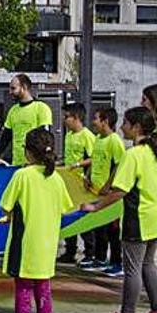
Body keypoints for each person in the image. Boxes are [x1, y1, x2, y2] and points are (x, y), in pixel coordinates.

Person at [0, 129, 73, 313]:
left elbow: (6, 205)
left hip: (25, 244)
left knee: (23, 291)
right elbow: (64, 207)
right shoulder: (56, 177)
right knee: (44, 292)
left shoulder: (23, 175)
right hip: (48, 244)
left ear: (28, 152)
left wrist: (9, 215)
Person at [82, 107, 157, 313]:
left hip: (138, 218)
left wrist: (94, 207)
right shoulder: (153, 152)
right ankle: (155, 311)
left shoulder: (133, 154)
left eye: (125, 122)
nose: (122, 126)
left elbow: (119, 191)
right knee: (147, 265)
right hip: (154, 216)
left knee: (132, 269)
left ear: (136, 127)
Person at [83, 108, 126, 277]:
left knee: (113, 230)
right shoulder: (98, 139)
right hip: (95, 192)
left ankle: (117, 262)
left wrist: (109, 185)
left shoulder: (114, 140)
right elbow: (94, 160)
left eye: (96, 118)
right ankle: (100, 258)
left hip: (109, 195)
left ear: (105, 121)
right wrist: (87, 176)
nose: (93, 122)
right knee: (99, 227)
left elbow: (119, 165)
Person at [58, 103, 97, 266]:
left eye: (66, 116)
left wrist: (79, 165)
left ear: (76, 118)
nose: (64, 120)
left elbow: (94, 158)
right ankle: (70, 250)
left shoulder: (87, 136)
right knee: (68, 215)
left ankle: (90, 252)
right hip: (68, 183)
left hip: (82, 184)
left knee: (82, 218)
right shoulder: (68, 135)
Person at [0, 74, 53, 166]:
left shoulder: (41, 108)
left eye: (13, 88)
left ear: (24, 87)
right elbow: (6, 136)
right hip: (16, 163)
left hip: (35, 164)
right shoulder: (13, 110)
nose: (10, 92)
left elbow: (45, 137)